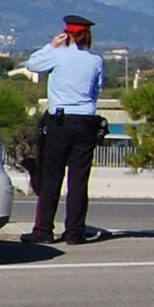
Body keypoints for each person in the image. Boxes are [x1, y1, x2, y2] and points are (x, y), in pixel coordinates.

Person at [20, 15, 104, 245]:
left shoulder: (57, 56)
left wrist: (51, 45)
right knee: (78, 180)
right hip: (86, 122)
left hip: (60, 122)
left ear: (67, 34)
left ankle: (44, 230)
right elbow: (97, 90)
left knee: (51, 178)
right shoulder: (95, 61)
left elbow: (32, 64)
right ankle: (75, 232)